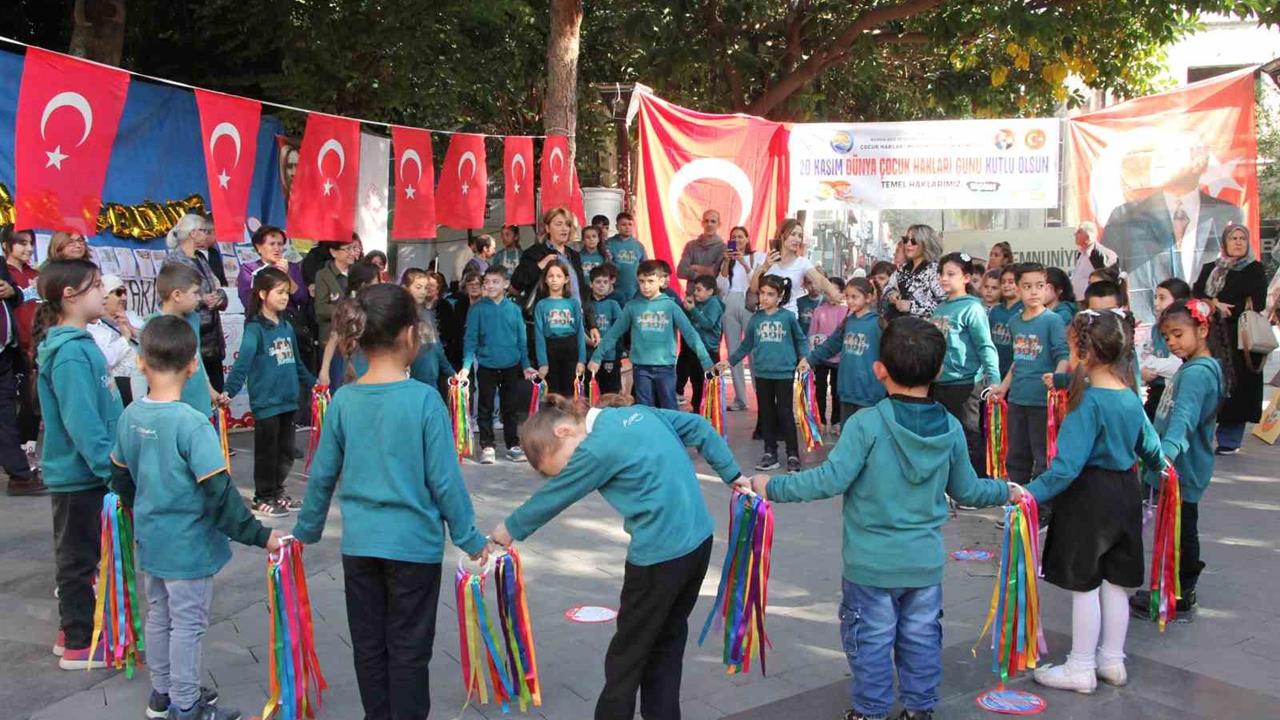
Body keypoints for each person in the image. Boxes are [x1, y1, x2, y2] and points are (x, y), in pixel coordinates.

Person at [750, 316, 1018, 720]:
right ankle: (919, 709)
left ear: (879, 370)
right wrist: (1007, 491)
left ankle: (872, 711)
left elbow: (828, 480)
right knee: (922, 639)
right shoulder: (949, 427)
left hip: (871, 566)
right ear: (940, 370)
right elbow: (968, 490)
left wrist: (770, 488)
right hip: (923, 566)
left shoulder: (866, 424)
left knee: (870, 641)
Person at [292, 284, 490, 720]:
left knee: (368, 647)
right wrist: (470, 538)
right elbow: (445, 482)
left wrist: (304, 533)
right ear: (409, 336)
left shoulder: (344, 400)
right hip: (413, 551)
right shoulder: (423, 400)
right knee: (408, 651)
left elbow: (322, 474)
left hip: (360, 547)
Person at [488, 394, 747, 720]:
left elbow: (555, 496)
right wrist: (732, 474)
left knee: (627, 657)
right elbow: (698, 425)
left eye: (565, 464)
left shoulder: (596, 448)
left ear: (564, 431)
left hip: (658, 558)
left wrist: (506, 530)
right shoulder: (638, 413)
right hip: (697, 544)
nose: (572, 469)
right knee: (666, 643)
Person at [110, 316, 282, 720]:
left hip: (151, 540)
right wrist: (261, 536)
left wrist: (145, 506)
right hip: (188, 547)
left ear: (140, 362)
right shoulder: (192, 425)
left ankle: (162, 694)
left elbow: (119, 476)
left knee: (160, 616)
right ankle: (185, 706)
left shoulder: (130, 416)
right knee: (187, 624)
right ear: (192, 366)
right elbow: (220, 494)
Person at [1022, 311, 1165, 694]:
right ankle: (1112, 660)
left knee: (1085, 583)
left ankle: (1080, 666)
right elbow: (1150, 447)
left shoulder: (1088, 404)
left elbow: (1066, 468)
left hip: (1089, 498)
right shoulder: (1130, 397)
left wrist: (1026, 493)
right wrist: (1163, 471)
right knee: (1117, 582)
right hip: (1126, 493)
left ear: (1083, 353)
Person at [35, 259, 124, 669]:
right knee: (77, 560)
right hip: (79, 476)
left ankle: (74, 629)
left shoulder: (85, 343)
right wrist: (111, 470)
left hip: (91, 474)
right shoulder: (70, 354)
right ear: (69, 296)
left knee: (85, 555)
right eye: (94, 287)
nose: (103, 294)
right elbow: (82, 423)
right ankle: (77, 641)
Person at [1130, 299, 1227, 616]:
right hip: (1178, 468)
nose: (1171, 342)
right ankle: (1172, 588)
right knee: (1178, 530)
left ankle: (1181, 593)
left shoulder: (1198, 373)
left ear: (1202, 330)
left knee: (1183, 532)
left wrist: (1163, 459)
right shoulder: (1194, 367)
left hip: (1181, 469)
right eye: (1167, 336)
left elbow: (1183, 421)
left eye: (1177, 334)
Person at [1101, 134, 1245, 324]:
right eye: (1156, 153)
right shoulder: (1125, 216)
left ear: (1198, 163)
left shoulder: (1228, 214)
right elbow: (1108, 276)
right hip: (1147, 330)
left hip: (1209, 329)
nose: (1158, 160)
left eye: (1171, 152)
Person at [223, 267, 318, 518]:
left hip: (288, 401)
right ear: (263, 294)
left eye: (287, 292)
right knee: (267, 452)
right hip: (267, 402)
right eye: (279, 292)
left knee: (285, 452)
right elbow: (242, 364)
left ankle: (277, 491)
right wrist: (228, 392)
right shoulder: (255, 329)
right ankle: (262, 496)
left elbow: (297, 363)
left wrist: (314, 384)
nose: (285, 297)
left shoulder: (286, 327)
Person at [589, 260, 713, 409]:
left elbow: (691, 334)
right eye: (641, 281)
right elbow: (613, 334)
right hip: (641, 368)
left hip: (665, 367)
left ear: (661, 281)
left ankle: (669, 433)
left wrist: (706, 361)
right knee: (644, 409)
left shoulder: (671, 306)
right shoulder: (632, 307)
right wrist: (597, 357)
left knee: (669, 408)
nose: (645, 286)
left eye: (650, 281)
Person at [717, 275, 808, 472]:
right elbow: (745, 346)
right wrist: (728, 362)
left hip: (784, 373)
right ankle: (770, 452)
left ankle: (793, 454)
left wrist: (803, 358)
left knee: (785, 414)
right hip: (762, 374)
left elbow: (801, 340)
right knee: (766, 414)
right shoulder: (756, 319)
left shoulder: (787, 317)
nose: (765, 298)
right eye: (762, 293)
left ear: (780, 296)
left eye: (770, 294)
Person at [1191, 223, 1267, 454]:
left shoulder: (1254, 268)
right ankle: (1201, 435)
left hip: (1239, 337)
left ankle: (1229, 440)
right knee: (1209, 383)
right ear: (1224, 243)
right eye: (1233, 238)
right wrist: (1214, 304)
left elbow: (1259, 302)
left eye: (1242, 238)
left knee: (1238, 386)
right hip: (1210, 333)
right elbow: (1195, 295)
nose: (1238, 242)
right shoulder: (1210, 268)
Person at [994, 262, 1070, 488]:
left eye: (1039, 285)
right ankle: (1018, 506)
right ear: (1017, 289)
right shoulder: (1014, 321)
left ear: (1047, 287)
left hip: (1042, 402)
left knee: (1042, 457)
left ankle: (1040, 508)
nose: (1034, 291)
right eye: (1027, 286)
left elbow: (1063, 355)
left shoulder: (1052, 320)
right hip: (1017, 399)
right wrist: (1003, 387)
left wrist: (1056, 379)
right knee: (1016, 457)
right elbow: (1018, 360)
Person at [458, 267, 538, 464]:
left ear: (506, 284)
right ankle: (487, 445)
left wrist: (526, 364)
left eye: (495, 281)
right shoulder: (477, 309)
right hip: (486, 365)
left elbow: (521, 340)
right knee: (485, 407)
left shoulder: (514, 309)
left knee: (509, 407)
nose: (490, 285)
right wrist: (466, 366)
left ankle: (512, 445)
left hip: (511, 365)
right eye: (487, 282)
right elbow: (470, 340)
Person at [932, 253, 1001, 474]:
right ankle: (951, 484)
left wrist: (995, 380)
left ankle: (975, 487)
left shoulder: (972, 308)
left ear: (966, 278)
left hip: (966, 384)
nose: (944, 278)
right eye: (941, 274)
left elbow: (985, 345)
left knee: (968, 436)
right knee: (944, 436)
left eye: (951, 274)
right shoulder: (940, 308)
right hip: (940, 382)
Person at [151, 264, 227, 420]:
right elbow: (142, 373)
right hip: (172, 410)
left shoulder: (193, 319)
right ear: (177, 295)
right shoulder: (153, 326)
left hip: (200, 406)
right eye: (195, 293)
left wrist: (210, 390)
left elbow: (196, 356)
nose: (199, 297)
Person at [163, 213, 228, 393]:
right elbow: (172, 297)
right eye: (203, 230)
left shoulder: (201, 258)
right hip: (191, 336)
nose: (207, 235)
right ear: (193, 233)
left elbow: (217, 285)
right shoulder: (174, 261)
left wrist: (219, 297)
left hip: (213, 339)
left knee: (217, 388)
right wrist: (201, 301)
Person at [808, 277, 886, 422]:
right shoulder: (848, 322)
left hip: (869, 393)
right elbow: (830, 345)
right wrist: (809, 360)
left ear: (868, 298)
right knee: (849, 436)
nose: (850, 301)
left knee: (867, 436)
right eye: (847, 297)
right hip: (847, 390)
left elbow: (889, 356)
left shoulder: (878, 324)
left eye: (854, 297)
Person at [0, 230, 42, 495]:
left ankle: (20, 476)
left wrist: (10, 290)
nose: (27, 248)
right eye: (21, 243)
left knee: (5, 413)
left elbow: (15, 296)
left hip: (5, 351)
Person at [718, 225, 766, 411]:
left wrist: (744, 263)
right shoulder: (727, 260)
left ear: (747, 239)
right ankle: (740, 398)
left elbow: (757, 280)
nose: (737, 240)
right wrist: (725, 262)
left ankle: (760, 393)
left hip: (748, 302)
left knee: (753, 350)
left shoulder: (757, 257)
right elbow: (721, 286)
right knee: (734, 350)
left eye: (740, 236)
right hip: (730, 302)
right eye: (733, 237)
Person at [751, 218, 841, 315]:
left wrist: (834, 293)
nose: (797, 239)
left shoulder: (802, 263)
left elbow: (820, 279)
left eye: (800, 236)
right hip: (764, 316)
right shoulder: (764, 258)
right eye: (793, 234)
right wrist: (765, 267)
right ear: (782, 235)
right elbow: (754, 289)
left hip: (789, 317)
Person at [512, 207, 588, 308]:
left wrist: (589, 320)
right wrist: (539, 266)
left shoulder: (574, 255)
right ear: (547, 228)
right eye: (558, 224)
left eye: (567, 224)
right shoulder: (535, 252)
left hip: (575, 316)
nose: (564, 228)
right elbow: (517, 283)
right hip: (546, 316)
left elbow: (581, 290)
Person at [532, 260, 587, 396]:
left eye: (559, 276)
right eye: (551, 276)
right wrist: (543, 362)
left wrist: (581, 360)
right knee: (553, 393)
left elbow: (580, 332)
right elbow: (538, 335)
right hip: (550, 348)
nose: (554, 280)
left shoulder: (573, 303)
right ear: (545, 279)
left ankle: (569, 417)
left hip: (570, 347)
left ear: (566, 279)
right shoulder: (541, 305)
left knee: (570, 392)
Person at [87, 275, 142, 406]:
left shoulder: (131, 316)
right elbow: (106, 360)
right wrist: (125, 338)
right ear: (104, 297)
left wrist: (132, 330)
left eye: (125, 292)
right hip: (118, 393)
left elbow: (155, 344)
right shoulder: (92, 327)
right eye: (118, 293)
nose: (124, 297)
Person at [1139, 278, 1191, 418]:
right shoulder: (1153, 330)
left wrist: (1150, 362)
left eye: (1162, 298)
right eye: (1155, 297)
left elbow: (1177, 365)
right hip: (1156, 395)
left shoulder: (1189, 330)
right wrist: (1142, 370)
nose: (1156, 303)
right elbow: (1137, 359)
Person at [807, 276, 848, 435]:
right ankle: (820, 420)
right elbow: (812, 334)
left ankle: (837, 421)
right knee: (820, 390)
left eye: (836, 291)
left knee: (837, 390)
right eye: (829, 291)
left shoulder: (846, 312)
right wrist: (812, 355)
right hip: (821, 358)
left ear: (841, 293)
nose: (832, 296)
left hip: (840, 359)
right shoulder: (818, 311)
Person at [235, 226, 309, 314]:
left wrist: (287, 275)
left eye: (280, 244)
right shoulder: (248, 269)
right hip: (260, 319)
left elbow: (302, 299)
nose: (277, 249)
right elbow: (247, 301)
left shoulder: (292, 268)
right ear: (259, 247)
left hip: (289, 320)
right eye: (272, 244)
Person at [677, 275, 723, 412]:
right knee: (696, 382)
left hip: (709, 351)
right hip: (695, 350)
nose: (695, 293)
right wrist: (686, 307)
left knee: (708, 384)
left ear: (710, 291)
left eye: (699, 290)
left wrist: (693, 310)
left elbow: (708, 324)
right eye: (695, 289)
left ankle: (709, 412)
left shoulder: (714, 303)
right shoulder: (696, 303)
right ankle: (697, 409)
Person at [885, 225, 947, 320]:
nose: (908, 244)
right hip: (898, 327)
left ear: (926, 243)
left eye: (914, 241)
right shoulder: (902, 269)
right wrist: (892, 294)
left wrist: (912, 306)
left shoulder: (935, 270)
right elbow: (887, 288)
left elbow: (945, 303)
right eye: (906, 240)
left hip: (923, 330)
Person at [313, 237, 361, 352]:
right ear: (333, 252)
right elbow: (321, 308)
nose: (352, 253)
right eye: (348, 249)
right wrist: (347, 311)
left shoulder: (358, 273)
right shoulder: (323, 275)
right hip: (332, 339)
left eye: (354, 248)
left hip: (356, 338)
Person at [585, 265, 624, 395]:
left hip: (609, 356)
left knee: (610, 393)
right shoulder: (585, 306)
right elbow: (581, 328)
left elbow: (619, 330)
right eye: (598, 282)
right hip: (589, 356)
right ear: (590, 284)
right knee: (590, 392)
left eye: (605, 282)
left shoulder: (613, 304)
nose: (602, 285)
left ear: (610, 284)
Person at [676, 209, 726, 297]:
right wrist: (706, 271)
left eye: (713, 221)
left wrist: (695, 267)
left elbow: (716, 273)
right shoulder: (691, 246)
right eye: (706, 221)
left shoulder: (723, 248)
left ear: (719, 224)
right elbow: (681, 271)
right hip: (691, 297)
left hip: (712, 298)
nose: (709, 224)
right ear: (702, 223)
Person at [988, 265, 1022, 382]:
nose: (1006, 285)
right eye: (1003, 282)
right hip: (996, 369)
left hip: (1015, 371)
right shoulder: (994, 310)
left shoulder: (1024, 310)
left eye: (1011, 282)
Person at [605, 212, 647, 304]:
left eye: (630, 224)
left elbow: (645, 268)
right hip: (613, 289)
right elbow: (606, 265)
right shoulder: (609, 244)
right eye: (623, 224)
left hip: (634, 290)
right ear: (617, 227)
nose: (627, 227)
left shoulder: (639, 246)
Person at [1069, 222, 1118, 300]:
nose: (1075, 234)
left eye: (1079, 232)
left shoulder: (1100, 254)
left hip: (1094, 302)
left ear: (1088, 236)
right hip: (1079, 301)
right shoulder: (1081, 253)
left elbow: (1109, 280)